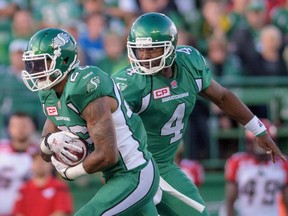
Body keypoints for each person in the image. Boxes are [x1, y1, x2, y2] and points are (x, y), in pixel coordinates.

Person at [111, 12, 286, 216]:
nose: (144, 56)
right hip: (134, 169)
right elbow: (102, 123)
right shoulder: (128, 83)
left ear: (170, 47)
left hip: (165, 167)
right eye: (140, 50)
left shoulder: (189, 64)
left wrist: (257, 129)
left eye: (151, 49)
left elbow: (221, 97)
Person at [21, 28, 160, 216]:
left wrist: (70, 173)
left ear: (63, 60)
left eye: (41, 64)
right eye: (32, 65)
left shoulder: (85, 85)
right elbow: (46, 149)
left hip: (134, 172)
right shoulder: (49, 92)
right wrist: (48, 143)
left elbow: (108, 155)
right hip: (114, 177)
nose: (36, 72)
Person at [224, 119, 288, 216]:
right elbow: (230, 200)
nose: (262, 148)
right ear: (250, 143)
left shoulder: (282, 163)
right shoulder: (238, 162)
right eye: (259, 143)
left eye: (266, 143)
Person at [13, 150, 74, 216]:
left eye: (44, 160)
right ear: (31, 164)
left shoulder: (59, 186)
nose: (39, 163)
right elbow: (18, 213)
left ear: (52, 164)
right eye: (35, 160)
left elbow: (61, 212)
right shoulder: (23, 188)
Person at [0, 112, 37, 215]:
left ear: (33, 127)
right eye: (16, 125)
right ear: (8, 128)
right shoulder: (1, 149)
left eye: (24, 125)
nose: (20, 129)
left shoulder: (42, 154)